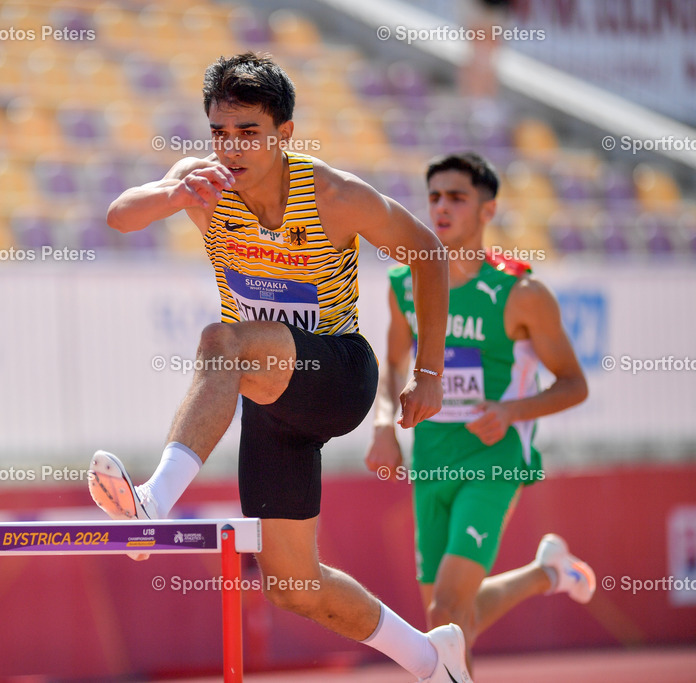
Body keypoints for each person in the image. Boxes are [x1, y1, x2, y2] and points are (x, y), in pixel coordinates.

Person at [88, 52, 472, 683]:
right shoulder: (201, 182)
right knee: (294, 584)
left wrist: (429, 373)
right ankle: (433, 660)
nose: (231, 149)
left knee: (223, 340)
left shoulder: (332, 195)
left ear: (284, 134)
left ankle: (153, 502)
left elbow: (427, 253)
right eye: (219, 132)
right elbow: (118, 216)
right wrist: (171, 193)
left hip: (339, 374)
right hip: (270, 394)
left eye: (248, 133)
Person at [365, 152, 596, 673]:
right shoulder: (406, 283)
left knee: (445, 609)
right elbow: (393, 365)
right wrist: (383, 424)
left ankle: (544, 574)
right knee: (446, 618)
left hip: (493, 459)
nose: (442, 208)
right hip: (430, 458)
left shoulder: (524, 293)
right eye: (434, 197)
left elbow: (574, 384)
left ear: (488, 210)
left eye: (457, 197)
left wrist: (513, 409)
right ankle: (545, 574)